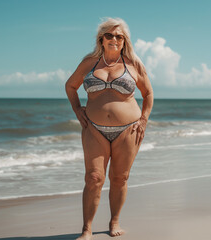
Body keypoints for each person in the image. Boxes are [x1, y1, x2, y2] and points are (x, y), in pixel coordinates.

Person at [65, 17, 153, 239]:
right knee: (93, 178)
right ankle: (87, 229)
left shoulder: (134, 64)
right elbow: (70, 86)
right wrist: (77, 110)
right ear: (101, 39)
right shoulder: (89, 63)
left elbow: (148, 93)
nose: (114, 39)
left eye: (119, 36)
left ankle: (114, 221)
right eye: (110, 35)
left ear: (124, 41)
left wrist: (143, 120)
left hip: (128, 130)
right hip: (94, 129)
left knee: (119, 178)